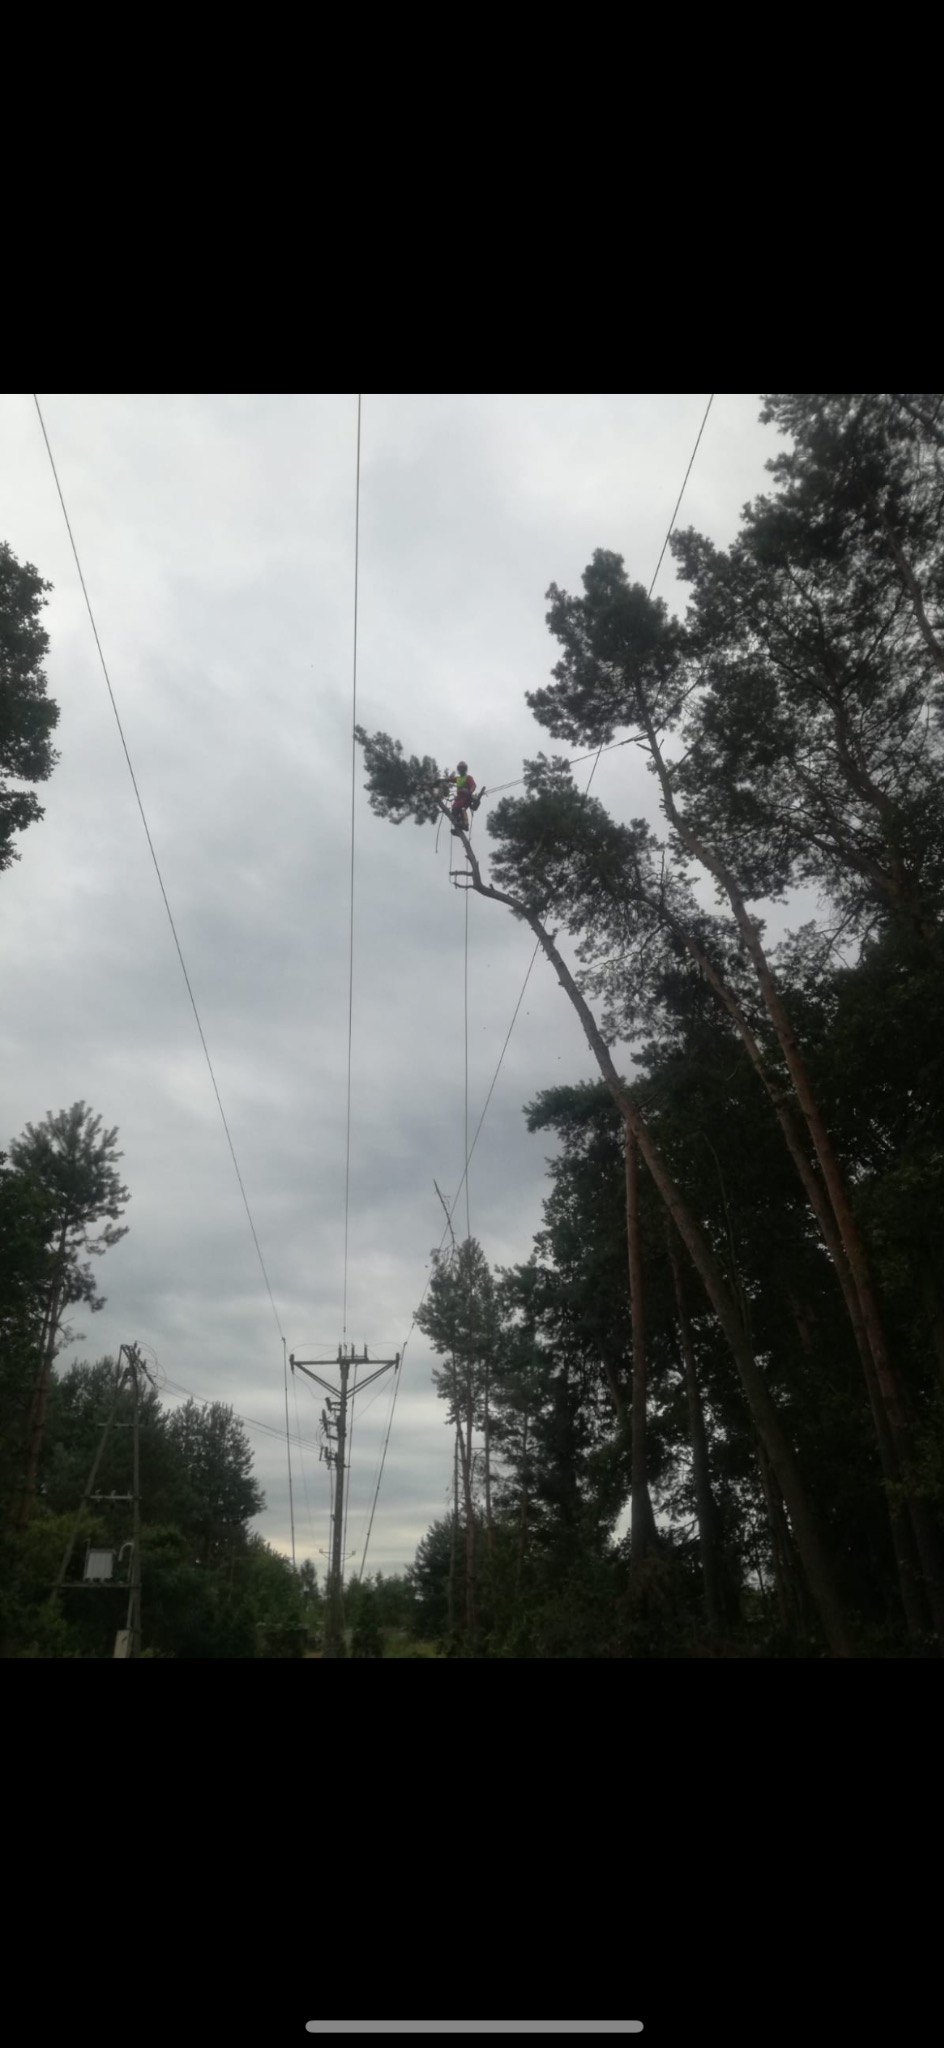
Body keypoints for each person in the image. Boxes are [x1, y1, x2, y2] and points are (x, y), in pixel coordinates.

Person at [449, 761, 478, 835]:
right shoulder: (458, 778)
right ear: (458, 770)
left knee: (462, 808)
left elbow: (473, 785)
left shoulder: (468, 777)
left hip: (466, 796)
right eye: (460, 769)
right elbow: (449, 780)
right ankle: (458, 828)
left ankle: (465, 824)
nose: (461, 770)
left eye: (463, 768)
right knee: (454, 810)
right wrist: (449, 777)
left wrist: (469, 792)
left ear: (465, 769)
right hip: (459, 798)